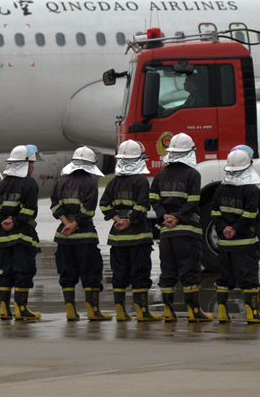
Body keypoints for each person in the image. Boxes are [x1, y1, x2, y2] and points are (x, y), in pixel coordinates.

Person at [150, 133, 212, 322]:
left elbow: (153, 197)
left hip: (167, 233)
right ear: (190, 151)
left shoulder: (161, 174)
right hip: (187, 232)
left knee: (168, 271)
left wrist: (164, 216)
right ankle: (194, 312)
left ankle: (168, 311)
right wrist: (178, 218)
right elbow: (193, 200)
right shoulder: (193, 174)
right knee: (189, 271)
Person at [100, 140, 160, 322]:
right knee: (140, 273)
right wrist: (129, 221)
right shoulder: (141, 180)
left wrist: (118, 219)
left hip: (117, 237)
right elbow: (142, 206)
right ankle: (142, 312)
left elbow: (104, 204)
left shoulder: (113, 181)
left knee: (119, 274)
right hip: (138, 236)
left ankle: (120, 311)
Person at [212, 145, 260, 323]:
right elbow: (250, 215)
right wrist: (236, 229)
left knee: (224, 278)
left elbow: (214, 213)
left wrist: (224, 228)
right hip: (245, 244)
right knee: (249, 279)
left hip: (224, 245)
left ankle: (222, 312)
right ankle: (253, 314)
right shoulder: (251, 190)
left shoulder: (220, 188)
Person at [51, 146, 110, 321]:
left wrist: (67, 224)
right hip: (84, 236)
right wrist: (76, 224)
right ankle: (93, 311)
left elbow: (55, 206)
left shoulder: (61, 181)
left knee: (67, 274)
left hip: (64, 236)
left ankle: (70, 310)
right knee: (91, 273)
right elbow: (88, 209)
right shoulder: (90, 182)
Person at [0, 144, 41, 321]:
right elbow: (30, 210)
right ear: (25, 164)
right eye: (32, 163)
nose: (33, 167)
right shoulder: (29, 183)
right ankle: (21, 309)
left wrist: (1, 221)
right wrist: (16, 221)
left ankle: (4, 309)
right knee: (23, 271)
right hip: (22, 236)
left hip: (4, 237)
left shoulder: (2, 184)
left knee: (5, 272)